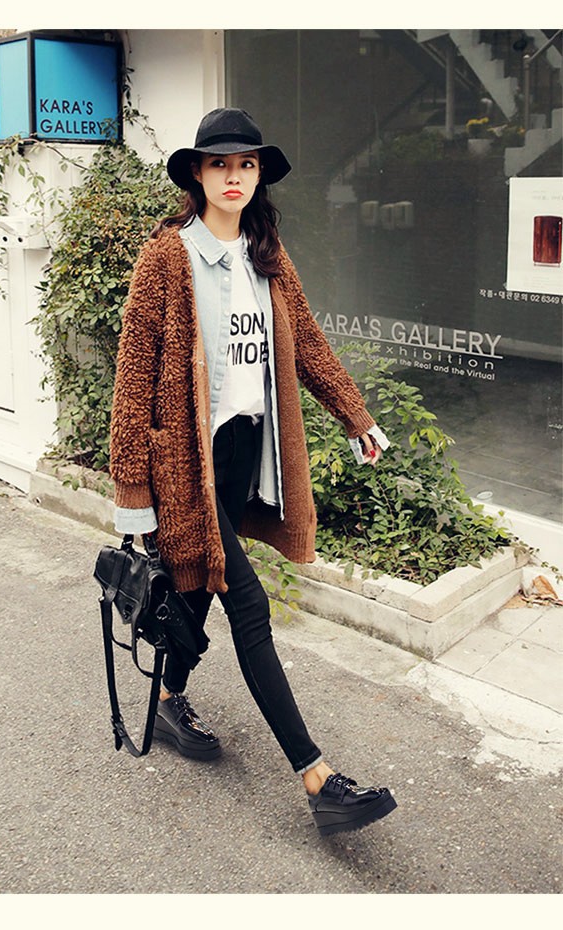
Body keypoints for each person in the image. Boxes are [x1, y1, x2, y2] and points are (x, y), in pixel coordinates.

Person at [108, 107, 396, 837]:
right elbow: (132, 379)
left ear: (258, 175)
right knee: (248, 603)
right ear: (197, 174)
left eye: (246, 164)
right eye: (219, 164)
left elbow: (309, 345)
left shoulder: (267, 253)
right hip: (187, 465)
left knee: (198, 587)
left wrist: (356, 417)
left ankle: (166, 699)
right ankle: (317, 779)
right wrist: (133, 496)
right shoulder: (167, 257)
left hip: (244, 451)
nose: (233, 176)